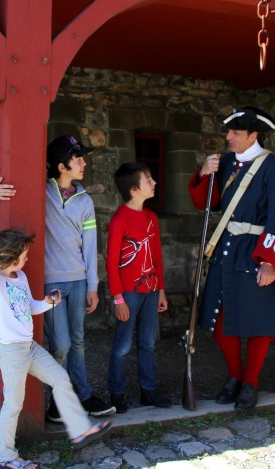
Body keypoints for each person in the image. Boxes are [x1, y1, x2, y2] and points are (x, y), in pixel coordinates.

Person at [0, 135, 115, 421]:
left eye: (83, 158)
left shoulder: (85, 201)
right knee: (62, 344)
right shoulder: (40, 192)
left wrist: (92, 285)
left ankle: (83, 395)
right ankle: (59, 401)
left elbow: (91, 247)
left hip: (79, 281)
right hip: (52, 282)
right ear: (60, 166)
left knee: (78, 341)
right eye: (77, 159)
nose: (84, 163)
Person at [187, 106, 275, 410]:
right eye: (229, 131)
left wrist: (269, 261)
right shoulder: (225, 163)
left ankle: (250, 382)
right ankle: (235, 376)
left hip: (255, 252)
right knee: (219, 321)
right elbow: (207, 203)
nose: (228, 137)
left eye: (235, 133)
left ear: (253, 135)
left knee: (258, 323)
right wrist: (205, 173)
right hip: (226, 248)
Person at [0, 227, 112, 469]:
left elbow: (31, 308)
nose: (27, 259)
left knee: (60, 378)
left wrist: (48, 303)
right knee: (13, 403)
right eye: (24, 254)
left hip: (29, 347)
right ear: (10, 255)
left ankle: (80, 430)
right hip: (9, 351)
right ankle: (6, 457)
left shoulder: (22, 277)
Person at [105, 162, 171, 413]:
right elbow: (112, 264)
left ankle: (149, 392)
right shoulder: (120, 220)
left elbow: (156, 257)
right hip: (129, 294)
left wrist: (161, 290)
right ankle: (117, 394)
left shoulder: (151, 218)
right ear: (133, 189)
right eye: (148, 180)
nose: (154, 183)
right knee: (122, 346)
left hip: (151, 291)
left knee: (148, 343)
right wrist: (118, 299)